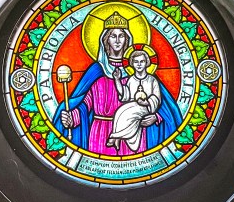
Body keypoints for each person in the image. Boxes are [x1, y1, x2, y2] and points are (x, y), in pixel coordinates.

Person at [54, 13, 182, 156]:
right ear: (105, 40)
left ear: (127, 38)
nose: (117, 41)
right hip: (100, 133)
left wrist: (156, 117)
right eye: (112, 36)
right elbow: (86, 104)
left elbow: (162, 105)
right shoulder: (97, 70)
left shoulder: (139, 71)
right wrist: (72, 118)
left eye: (121, 36)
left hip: (134, 131)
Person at [106, 48, 161, 154]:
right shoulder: (131, 80)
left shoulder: (152, 80)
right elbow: (125, 94)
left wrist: (147, 102)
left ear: (147, 63)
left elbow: (156, 97)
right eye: (136, 62)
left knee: (127, 112)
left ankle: (114, 136)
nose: (139, 64)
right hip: (133, 106)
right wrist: (117, 79)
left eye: (142, 61)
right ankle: (118, 137)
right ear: (132, 64)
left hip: (146, 108)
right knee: (119, 112)